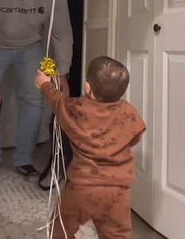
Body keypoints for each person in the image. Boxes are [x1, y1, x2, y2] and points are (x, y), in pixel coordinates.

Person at [34, 56, 146, 238]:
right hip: (117, 192)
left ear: (87, 87)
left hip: (81, 188)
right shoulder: (128, 112)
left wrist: (45, 84)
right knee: (117, 234)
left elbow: (57, 100)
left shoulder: (76, 109)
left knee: (60, 227)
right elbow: (136, 137)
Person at [0, 0, 73, 177]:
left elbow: (62, 32)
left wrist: (62, 73)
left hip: (31, 46)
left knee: (35, 98)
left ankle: (23, 159)